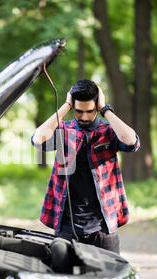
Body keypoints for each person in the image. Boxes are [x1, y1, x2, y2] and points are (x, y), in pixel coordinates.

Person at [31, 79, 140, 254]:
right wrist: (66, 105)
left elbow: (131, 141)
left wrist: (105, 108)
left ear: (96, 107)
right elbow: (37, 140)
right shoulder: (64, 132)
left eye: (90, 111)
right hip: (66, 228)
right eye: (79, 111)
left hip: (103, 228)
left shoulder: (108, 132)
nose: (84, 117)